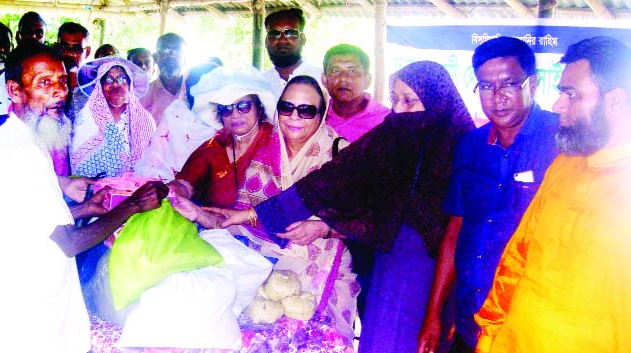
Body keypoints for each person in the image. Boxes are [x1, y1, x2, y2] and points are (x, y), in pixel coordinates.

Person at [212, 61, 475, 353]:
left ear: (437, 102)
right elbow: (331, 181)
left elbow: (454, 230)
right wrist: (251, 214)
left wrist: (435, 311)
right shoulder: (391, 137)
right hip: (387, 266)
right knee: (381, 341)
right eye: (395, 99)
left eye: (410, 101)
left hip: (435, 271)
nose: (399, 110)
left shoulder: (462, 149)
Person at [0, 40, 167, 353]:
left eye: (61, 81)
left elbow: (27, 223)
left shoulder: (18, 138)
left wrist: (86, 207)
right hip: (24, 320)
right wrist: (134, 205)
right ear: (14, 91)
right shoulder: (18, 153)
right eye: (44, 83)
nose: (59, 92)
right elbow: (68, 242)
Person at [474, 35, 631, 353]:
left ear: (614, 101)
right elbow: (518, 257)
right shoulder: (564, 165)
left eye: (571, 95)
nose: (558, 105)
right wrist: (490, 337)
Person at [173, 75, 358, 340]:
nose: (294, 117)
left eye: (306, 110)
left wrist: (321, 228)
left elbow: (370, 222)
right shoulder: (266, 151)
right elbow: (242, 223)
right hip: (262, 270)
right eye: (287, 107)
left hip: (322, 275)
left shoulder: (341, 154)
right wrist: (198, 214)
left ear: (321, 113)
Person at [417, 37, 561, 353]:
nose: (497, 97)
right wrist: (433, 314)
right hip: (470, 319)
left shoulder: (561, 143)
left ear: (533, 84)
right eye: (485, 86)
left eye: (509, 84)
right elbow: (456, 231)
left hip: (526, 326)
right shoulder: (471, 146)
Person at [173, 67, 276, 208]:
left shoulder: (275, 141)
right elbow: (187, 182)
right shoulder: (214, 146)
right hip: (217, 226)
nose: (234, 115)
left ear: (258, 107)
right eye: (226, 109)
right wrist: (172, 190)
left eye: (243, 106)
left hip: (269, 227)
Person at [71, 56, 155, 178]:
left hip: (136, 191)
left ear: (130, 85)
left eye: (122, 80)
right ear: (99, 86)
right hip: (91, 191)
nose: (116, 84)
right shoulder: (85, 119)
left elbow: (152, 164)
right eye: (109, 80)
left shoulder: (146, 120)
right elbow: (77, 167)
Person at [135, 62, 220, 180]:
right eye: (195, 84)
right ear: (185, 88)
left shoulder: (230, 119)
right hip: (166, 185)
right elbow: (154, 159)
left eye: (209, 86)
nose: (199, 91)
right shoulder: (175, 114)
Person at [322, 43, 390, 142]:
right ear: (324, 80)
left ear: (367, 81)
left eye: (352, 71)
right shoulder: (315, 116)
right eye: (335, 70)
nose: (343, 78)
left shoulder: (386, 121)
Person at [263, 8, 322, 97]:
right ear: (266, 41)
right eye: (274, 34)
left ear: (302, 39)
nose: (282, 40)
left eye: (291, 33)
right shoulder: (260, 84)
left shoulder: (321, 80)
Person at [140, 33, 187, 124]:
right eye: (164, 52)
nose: (170, 57)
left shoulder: (194, 92)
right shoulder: (144, 95)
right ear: (156, 57)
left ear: (185, 58)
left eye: (176, 52)